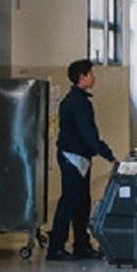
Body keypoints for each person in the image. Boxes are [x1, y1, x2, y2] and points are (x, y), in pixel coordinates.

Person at [48, 60, 118, 260]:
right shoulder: (77, 103)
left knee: (82, 203)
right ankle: (56, 247)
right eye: (90, 74)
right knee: (69, 202)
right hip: (72, 156)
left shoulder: (78, 100)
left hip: (80, 156)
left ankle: (81, 244)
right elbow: (88, 133)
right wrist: (106, 153)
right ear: (82, 77)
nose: (93, 77)